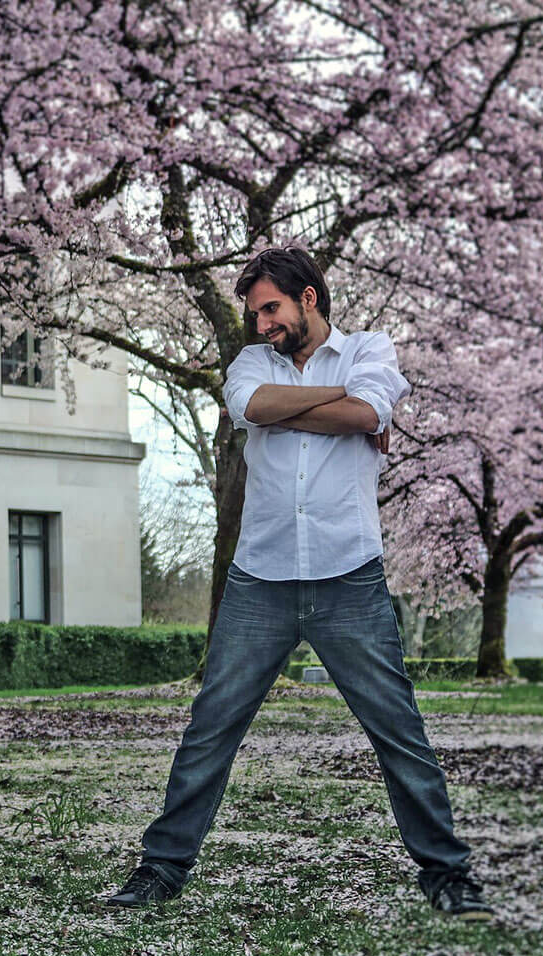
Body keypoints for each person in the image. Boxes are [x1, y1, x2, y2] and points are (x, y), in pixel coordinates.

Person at [105, 247, 492, 920]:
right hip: (262, 577)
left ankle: (448, 874)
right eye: (255, 312)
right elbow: (256, 403)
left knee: (398, 728)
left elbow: (367, 415)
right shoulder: (254, 363)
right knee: (211, 727)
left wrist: (340, 409)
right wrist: (344, 402)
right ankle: (161, 869)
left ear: (308, 298)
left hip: (351, 576)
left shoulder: (371, 346)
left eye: (271, 308)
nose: (261, 324)